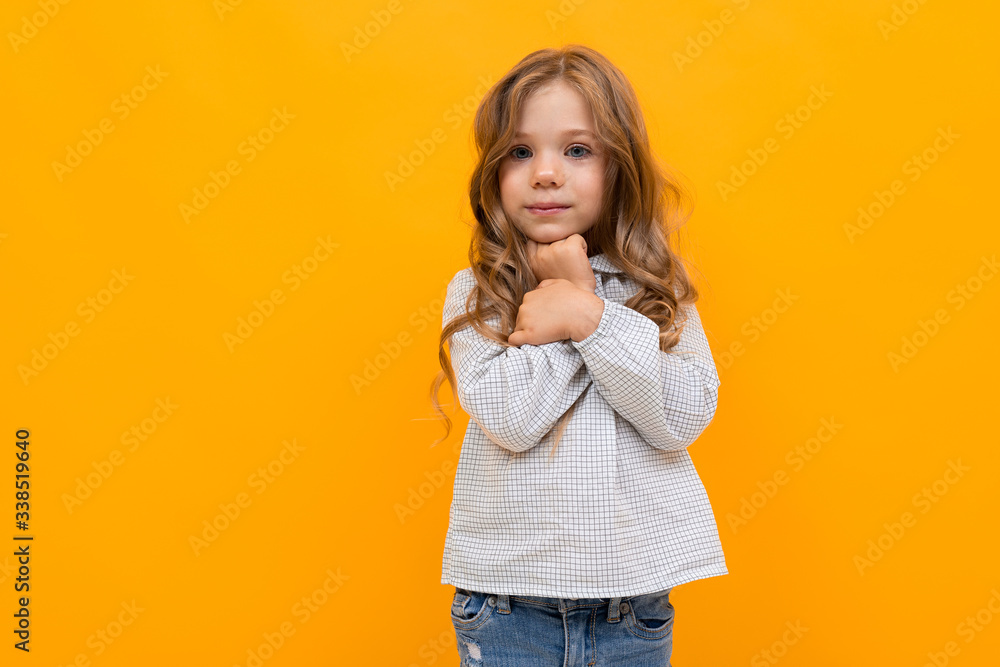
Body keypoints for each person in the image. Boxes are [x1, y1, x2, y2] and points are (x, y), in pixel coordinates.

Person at [427, 44, 727, 666]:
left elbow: (681, 418)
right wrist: (565, 307)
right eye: (520, 151)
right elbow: (509, 419)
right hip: (509, 606)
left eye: (577, 150)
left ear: (619, 168)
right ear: (494, 173)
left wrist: (588, 313)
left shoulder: (657, 289)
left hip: (631, 608)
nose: (545, 172)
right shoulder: (479, 292)